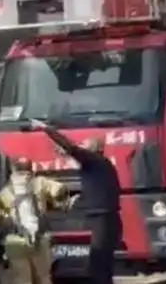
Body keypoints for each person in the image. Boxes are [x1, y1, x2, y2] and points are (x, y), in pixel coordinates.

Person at [30, 119, 120, 284]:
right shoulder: (99, 165)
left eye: (84, 146)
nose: (82, 148)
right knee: (102, 265)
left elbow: (71, 148)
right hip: (106, 218)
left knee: (98, 265)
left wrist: (47, 130)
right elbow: (72, 155)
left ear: (94, 149)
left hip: (103, 219)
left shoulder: (93, 161)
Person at [0, 157, 70, 284]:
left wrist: (4, 218)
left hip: (15, 240)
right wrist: (53, 204)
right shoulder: (41, 183)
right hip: (40, 239)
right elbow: (60, 190)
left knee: (21, 278)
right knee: (43, 277)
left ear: (13, 169)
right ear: (31, 168)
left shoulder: (5, 191)